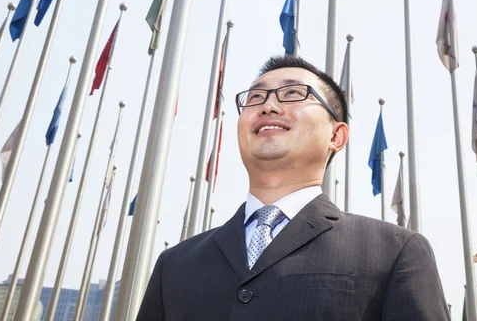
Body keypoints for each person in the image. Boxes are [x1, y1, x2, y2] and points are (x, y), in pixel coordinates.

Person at [137, 55, 449, 320]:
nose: (269, 106)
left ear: (336, 136)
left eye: (293, 94)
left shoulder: (394, 252)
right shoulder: (174, 265)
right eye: (256, 97)